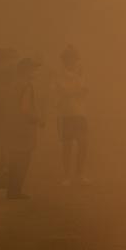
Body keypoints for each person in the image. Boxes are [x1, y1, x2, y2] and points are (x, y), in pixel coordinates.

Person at [6, 57, 42, 200]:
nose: (35, 71)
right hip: (24, 128)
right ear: (26, 70)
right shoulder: (27, 85)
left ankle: (11, 191)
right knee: (24, 158)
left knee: (14, 157)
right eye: (33, 68)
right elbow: (25, 109)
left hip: (13, 125)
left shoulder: (13, 84)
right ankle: (16, 191)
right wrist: (38, 119)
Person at [54, 45, 89, 186]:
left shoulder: (81, 74)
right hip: (65, 114)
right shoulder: (59, 74)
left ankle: (80, 174)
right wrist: (77, 91)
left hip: (81, 113)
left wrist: (76, 91)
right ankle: (66, 176)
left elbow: (86, 91)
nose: (74, 62)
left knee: (83, 144)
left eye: (75, 59)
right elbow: (64, 92)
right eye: (71, 59)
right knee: (67, 145)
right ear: (65, 60)